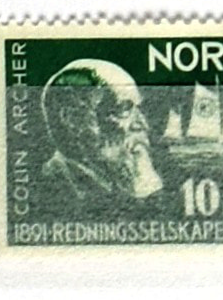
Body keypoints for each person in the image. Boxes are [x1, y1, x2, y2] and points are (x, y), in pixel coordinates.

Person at [38, 58, 163, 209]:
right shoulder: (54, 189)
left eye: (139, 109)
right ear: (73, 119)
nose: (143, 124)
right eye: (123, 108)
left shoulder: (110, 182)